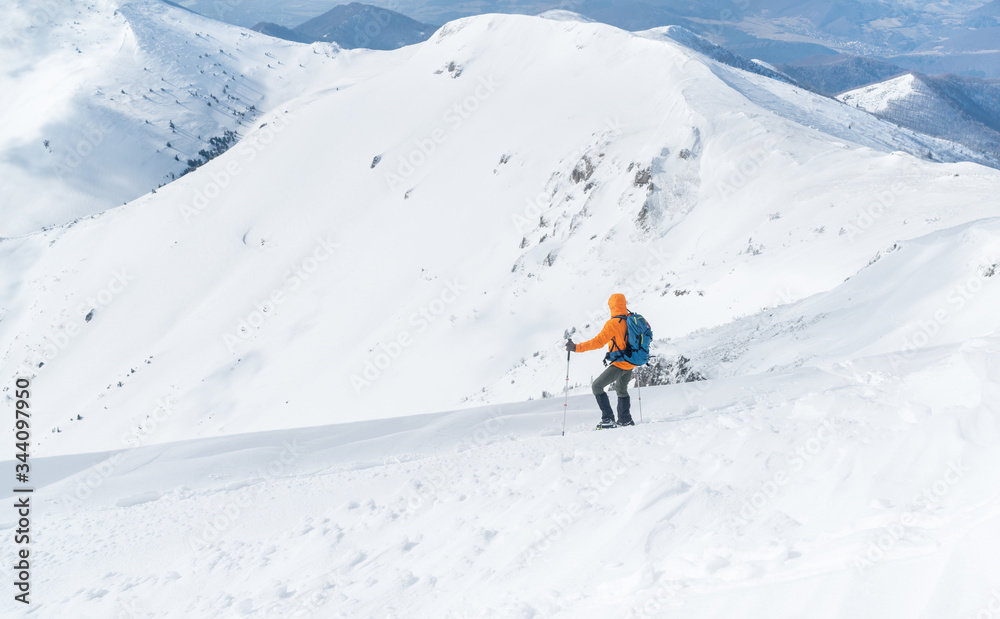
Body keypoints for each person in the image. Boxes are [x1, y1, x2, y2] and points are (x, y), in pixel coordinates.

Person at [566, 293, 636, 428]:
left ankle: (608, 419)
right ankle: (625, 419)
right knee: (621, 389)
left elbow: (598, 342)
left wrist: (576, 347)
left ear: (611, 306)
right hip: (631, 362)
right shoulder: (631, 319)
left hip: (620, 363)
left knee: (596, 386)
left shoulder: (613, 323)